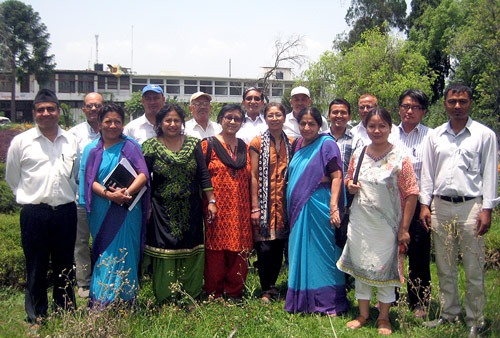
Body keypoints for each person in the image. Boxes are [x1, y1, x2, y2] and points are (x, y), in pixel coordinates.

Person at [420, 84, 498, 337]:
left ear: (470, 103)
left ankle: (476, 319)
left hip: (471, 207)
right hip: (440, 206)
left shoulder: (484, 135)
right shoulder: (435, 135)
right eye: (452, 101)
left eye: (462, 101)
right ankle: (449, 314)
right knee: (444, 265)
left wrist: (487, 208)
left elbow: (489, 173)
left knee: (474, 267)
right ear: (444, 104)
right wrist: (425, 204)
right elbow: (428, 172)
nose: (457, 106)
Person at [337, 107, 419, 335]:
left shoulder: (400, 157)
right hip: (361, 223)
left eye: (382, 126)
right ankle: (363, 314)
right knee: (361, 267)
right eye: (372, 126)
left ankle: (384, 317)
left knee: (386, 270)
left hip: (388, 227)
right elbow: (348, 178)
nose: (377, 130)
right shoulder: (359, 154)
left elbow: (412, 192)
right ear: (366, 128)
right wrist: (349, 186)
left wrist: (404, 229)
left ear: (390, 128)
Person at [5, 88, 79, 324]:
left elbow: (75, 176)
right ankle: (36, 314)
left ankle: (65, 310)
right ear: (34, 113)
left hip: (65, 211)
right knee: (35, 265)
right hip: (34, 213)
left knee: (65, 264)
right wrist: (30, 198)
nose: (46, 113)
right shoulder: (21, 142)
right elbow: (12, 178)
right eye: (40, 110)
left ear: (58, 111)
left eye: (50, 109)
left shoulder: (71, 140)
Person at [142, 103, 217, 303]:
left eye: (176, 120)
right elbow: (144, 179)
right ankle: (166, 297)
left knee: (191, 249)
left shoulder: (193, 144)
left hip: (191, 209)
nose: (172, 124)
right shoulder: (149, 146)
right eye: (168, 120)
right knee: (164, 251)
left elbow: (203, 175)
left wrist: (211, 200)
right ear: (159, 123)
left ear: (182, 123)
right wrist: (146, 206)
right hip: (161, 210)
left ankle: (190, 295)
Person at [80, 104, 150, 307]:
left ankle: (126, 303)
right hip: (102, 209)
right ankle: (102, 303)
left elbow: (143, 175)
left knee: (126, 253)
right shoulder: (91, 150)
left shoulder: (131, 146)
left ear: (123, 123)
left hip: (127, 210)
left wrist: (126, 193)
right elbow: (88, 180)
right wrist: (109, 195)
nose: (112, 125)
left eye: (117, 121)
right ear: (99, 123)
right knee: (104, 254)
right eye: (108, 121)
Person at [284, 107, 348, 316]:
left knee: (324, 253)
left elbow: (337, 176)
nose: (307, 127)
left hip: (320, 206)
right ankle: (302, 300)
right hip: (298, 210)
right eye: (303, 123)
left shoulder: (327, 144)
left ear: (319, 125)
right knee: (300, 251)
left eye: (311, 123)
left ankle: (327, 302)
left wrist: (333, 208)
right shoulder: (297, 144)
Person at [201, 104, 252, 299]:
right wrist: (210, 201)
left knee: (239, 250)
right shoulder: (208, 145)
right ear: (220, 119)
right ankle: (214, 293)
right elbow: (202, 177)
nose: (232, 121)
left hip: (241, 209)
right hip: (216, 207)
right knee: (216, 251)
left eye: (237, 118)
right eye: (228, 117)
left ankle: (234, 292)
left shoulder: (245, 148)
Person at [391, 89, 432, 318]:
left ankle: (419, 303)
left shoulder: (431, 137)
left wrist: (426, 205)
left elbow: (430, 174)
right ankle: (390, 298)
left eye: (415, 107)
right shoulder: (389, 134)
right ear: (399, 109)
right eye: (405, 106)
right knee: (390, 252)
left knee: (418, 252)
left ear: (423, 111)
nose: (409, 111)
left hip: (418, 205)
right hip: (391, 202)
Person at [249, 103, 292, 302]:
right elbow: (254, 176)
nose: (274, 118)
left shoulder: (292, 143)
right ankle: (266, 288)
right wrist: (255, 206)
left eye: (278, 115)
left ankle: (275, 286)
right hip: (264, 205)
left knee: (279, 247)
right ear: (265, 118)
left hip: (284, 203)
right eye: (270, 115)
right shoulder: (257, 142)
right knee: (265, 248)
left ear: (284, 117)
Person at [69, 92, 103, 299]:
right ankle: (84, 282)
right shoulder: (74, 134)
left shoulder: (113, 129)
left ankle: (103, 277)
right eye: (89, 106)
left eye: (97, 105)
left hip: (107, 197)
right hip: (82, 195)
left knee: (103, 237)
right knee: (81, 240)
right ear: (84, 109)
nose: (93, 109)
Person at [328, 98, 355, 179]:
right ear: (329, 116)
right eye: (335, 112)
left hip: (347, 188)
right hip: (324, 188)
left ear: (349, 117)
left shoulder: (355, 140)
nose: (339, 115)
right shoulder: (320, 138)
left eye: (343, 112)